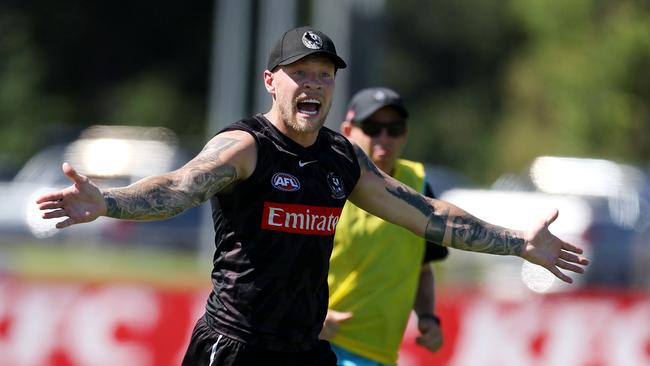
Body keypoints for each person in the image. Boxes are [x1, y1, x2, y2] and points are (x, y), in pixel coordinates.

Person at [35, 26, 589, 366]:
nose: (315, 85)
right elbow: (180, 186)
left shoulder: (341, 159)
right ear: (271, 80)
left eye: (325, 74)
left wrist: (518, 242)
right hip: (235, 347)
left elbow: (427, 216)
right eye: (301, 73)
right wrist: (109, 202)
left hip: (303, 352)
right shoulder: (244, 146)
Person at [321, 87, 448, 365]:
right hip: (321, 343)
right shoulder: (324, 182)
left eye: (394, 128)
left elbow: (422, 268)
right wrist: (307, 316)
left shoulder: (419, 185)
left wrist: (427, 316)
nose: (384, 138)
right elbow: (286, 263)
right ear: (348, 130)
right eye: (372, 127)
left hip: (380, 354)